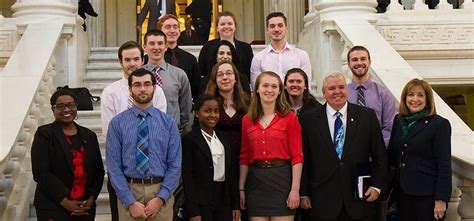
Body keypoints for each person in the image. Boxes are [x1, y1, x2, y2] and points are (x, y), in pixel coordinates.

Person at [299, 72, 388, 220]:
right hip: (322, 200)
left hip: (359, 200)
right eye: (332, 88)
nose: (337, 92)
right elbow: (305, 159)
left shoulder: (367, 116)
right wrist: (303, 192)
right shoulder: (308, 119)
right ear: (324, 92)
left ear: (347, 89)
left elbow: (380, 156)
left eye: (341, 87)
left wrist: (376, 186)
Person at [100, 40, 167, 221]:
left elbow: (158, 129)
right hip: (123, 169)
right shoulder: (110, 92)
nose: (132, 64)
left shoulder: (157, 91)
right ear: (120, 62)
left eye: (136, 59)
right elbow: (108, 131)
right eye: (127, 60)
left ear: (142, 59)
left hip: (153, 170)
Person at [106, 68, 181, 220]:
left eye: (147, 84)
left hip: (161, 193)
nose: (142, 89)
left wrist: (161, 198)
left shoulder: (168, 123)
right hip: (129, 192)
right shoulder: (117, 123)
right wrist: (129, 201)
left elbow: (175, 164)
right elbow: (113, 166)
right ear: (130, 89)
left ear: (154, 87)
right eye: (137, 85)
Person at [31, 89, 105, 220]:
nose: (67, 109)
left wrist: (91, 199)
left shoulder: (89, 135)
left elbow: (98, 171)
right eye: (60, 106)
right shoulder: (45, 134)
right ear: (53, 109)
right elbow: (41, 173)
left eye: (71, 105)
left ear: (76, 107)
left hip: (85, 207)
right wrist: (65, 202)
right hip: (54, 206)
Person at [239, 71, 303, 220]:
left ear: (280, 90)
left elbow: (297, 157)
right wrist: (241, 188)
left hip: (282, 180)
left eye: (274, 86)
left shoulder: (289, 118)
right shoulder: (247, 120)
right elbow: (244, 156)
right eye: (265, 85)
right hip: (256, 183)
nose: (269, 90)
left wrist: (295, 190)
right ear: (257, 89)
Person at [388, 78, 451, 221]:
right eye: (410, 94)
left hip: (427, 196)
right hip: (402, 193)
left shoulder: (439, 124)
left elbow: (444, 165)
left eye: (420, 95)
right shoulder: (399, 121)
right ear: (405, 98)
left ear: (427, 99)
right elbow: (392, 155)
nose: (415, 99)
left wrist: (441, 199)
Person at [182, 95, 241, 221]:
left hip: (224, 201)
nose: (213, 115)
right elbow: (188, 177)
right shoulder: (189, 139)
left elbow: (231, 173)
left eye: (216, 111)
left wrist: (235, 205)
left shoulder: (224, 138)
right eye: (207, 111)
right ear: (197, 113)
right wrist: (193, 211)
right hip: (201, 203)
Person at [142, 29, 192, 132]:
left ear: (166, 47)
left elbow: (186, 108)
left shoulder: (179, 74)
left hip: (172, 132)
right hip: (143, 133)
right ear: (144, 47)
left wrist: (179, 130)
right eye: (151, 43)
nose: (156, 47)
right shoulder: (138, 75)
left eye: (160, 43)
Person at [347, 46, 397, 147]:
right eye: (354, 60)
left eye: (363, 59)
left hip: (377, 153)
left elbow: (389, 127)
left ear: (369, 62)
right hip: (349, 154)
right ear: (348, 64)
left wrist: (377, 149)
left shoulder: (384, 93)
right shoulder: (343, 94)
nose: (359, 63)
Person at [204, 60, 250, 163]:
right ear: (215, 79)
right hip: (216, 161)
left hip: (243, 161)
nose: (225, 77)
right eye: (220, 75)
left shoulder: (247, 102)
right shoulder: (207, 104)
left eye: (229, 73)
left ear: (235, 78)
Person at [250, 12, 311, 88]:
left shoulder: (301, 56)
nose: (276, 29)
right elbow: (256, 88)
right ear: (267, 30)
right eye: (272, 26)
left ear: (286, 29)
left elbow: (306, 86)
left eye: (280, 25)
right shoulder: (258, 58)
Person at [198, 11, 254, 81]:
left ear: (235, 27)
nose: (226, 26)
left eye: (230, 24)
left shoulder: (246, 48)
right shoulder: (207, 47)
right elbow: (202, 71)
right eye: (222, 24)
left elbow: (248, 74)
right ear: (217, 28)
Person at [158, 14, 201, 100]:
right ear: (159, 31)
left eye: (175, 27)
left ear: (179, 31)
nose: (172, 30)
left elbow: (196, 88)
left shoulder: (190, 59)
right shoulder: (151, 59)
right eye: (168, 27)